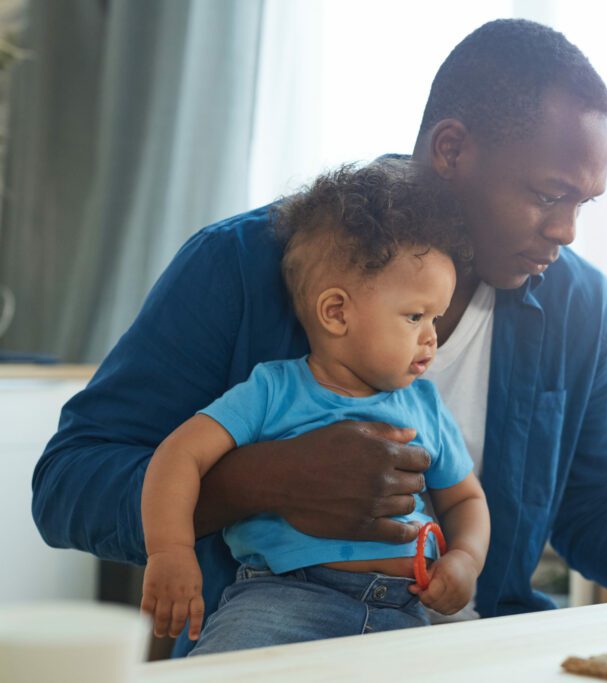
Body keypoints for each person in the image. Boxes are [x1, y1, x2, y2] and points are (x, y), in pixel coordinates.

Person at [32, 18, 607, 658]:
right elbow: (68, 481)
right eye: (547, 194)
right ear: (451, 149)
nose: (565, 231)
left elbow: (601, 511)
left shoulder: (579, 305)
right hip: (272, 638)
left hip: (484, 645)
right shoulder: (247, 263)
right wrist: (263, 480)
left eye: (583, 204)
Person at [139, 162, 489, 654]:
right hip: (280, 599)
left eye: (436, 316)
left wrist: (466, 560)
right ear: (336, 312)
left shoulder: (424, 405)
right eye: (415, 316)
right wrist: (170, 551)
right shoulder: (271, 390)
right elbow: (179, 456)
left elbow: (465, 500)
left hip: (403, 611)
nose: (432, 336)